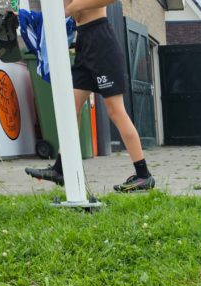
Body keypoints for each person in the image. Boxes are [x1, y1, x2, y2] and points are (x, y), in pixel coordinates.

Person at [25, 0, 154, 193]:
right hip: (83, 43)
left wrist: (73, 8)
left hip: (102, 43)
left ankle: (144, 175)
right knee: (70, 109)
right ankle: (61, 170)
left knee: (115, 111)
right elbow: (60, 12)